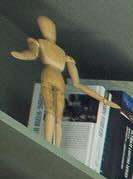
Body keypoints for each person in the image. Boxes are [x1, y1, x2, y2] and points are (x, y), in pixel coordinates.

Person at [10, 16, 112, 147]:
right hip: (51, 77)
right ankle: (48, 144)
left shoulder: (62, 53)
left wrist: (103, 99)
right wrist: (22, 55)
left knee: (58, 117)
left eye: (51, 28)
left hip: (57, 80)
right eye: (46, 27)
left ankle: (56, 147)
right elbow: (32, 54)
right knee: (50, 110)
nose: (50, 31)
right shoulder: (41, 43)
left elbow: (77, 83)